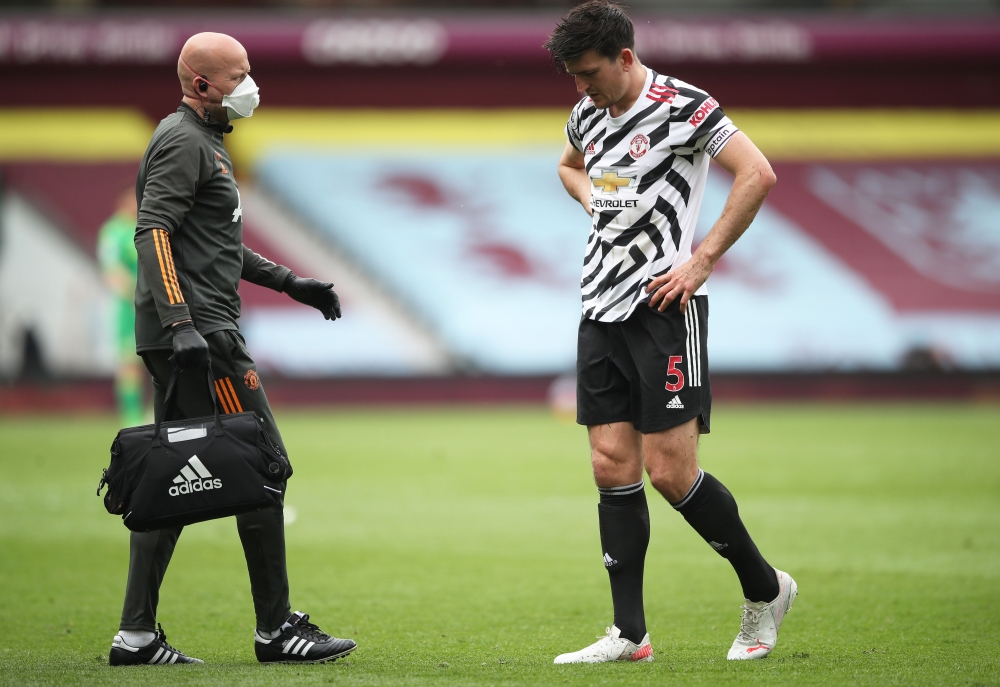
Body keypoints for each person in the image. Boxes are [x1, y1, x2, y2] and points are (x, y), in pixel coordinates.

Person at [544, 1, 796, 664]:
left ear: (625, 57)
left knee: (670, 471)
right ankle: (629, 633)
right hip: (599, 304)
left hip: (664, 308)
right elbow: (569, 165)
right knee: (610, 465)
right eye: (572, 76)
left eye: (589, 72)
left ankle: (766, 588)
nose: (580, 87)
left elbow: (758, 171)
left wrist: (702, 258)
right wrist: (590, 196)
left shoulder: (685, 104)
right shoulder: (587, 113)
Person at [108, 32, 356, 666]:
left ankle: (136, 634)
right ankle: (275, 630)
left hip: (197, 331)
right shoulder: (185, 141)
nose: (250, 85)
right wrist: (183, 323)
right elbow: (152, 231)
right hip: (203, 337)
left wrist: (291, 282)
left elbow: (217, 245)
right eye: (237, 75)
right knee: (264, 465)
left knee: (171, 479)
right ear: (201, 86)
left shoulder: (205, 144)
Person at [97, 188, 145, 427]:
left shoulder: (144, 228)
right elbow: (112, 272)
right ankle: (131, 417)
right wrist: (137, 297)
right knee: (129, 363)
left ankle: (158, 413)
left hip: (151, 305)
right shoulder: (113, 232)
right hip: (129, 309)